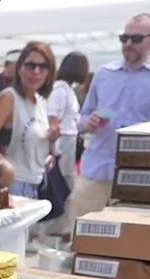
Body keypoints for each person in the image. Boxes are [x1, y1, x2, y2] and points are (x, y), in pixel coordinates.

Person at [69, 13, 150, 225]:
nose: (128, 44)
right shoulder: (104, 73)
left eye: (136, 39)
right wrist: (88, 123)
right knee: (82, 234)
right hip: (96, 172)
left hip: (139, 177)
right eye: (124, 38)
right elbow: (83, 117)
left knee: (130, 239)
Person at [0, 42, 56, 199]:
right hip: (13, 186)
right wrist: (4, 165)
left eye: (43, 67)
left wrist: (50, 150)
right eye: (30, 65)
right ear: (19, 68)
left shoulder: (41, 102)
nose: (36, 72)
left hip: (37, 185)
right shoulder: (9, 98)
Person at [48, 52, 87, 188]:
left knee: (68, 175)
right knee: (64, 178)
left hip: (69, 139)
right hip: (63, 140)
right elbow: (53, 117)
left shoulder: (67, 90)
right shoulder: (60, 90)